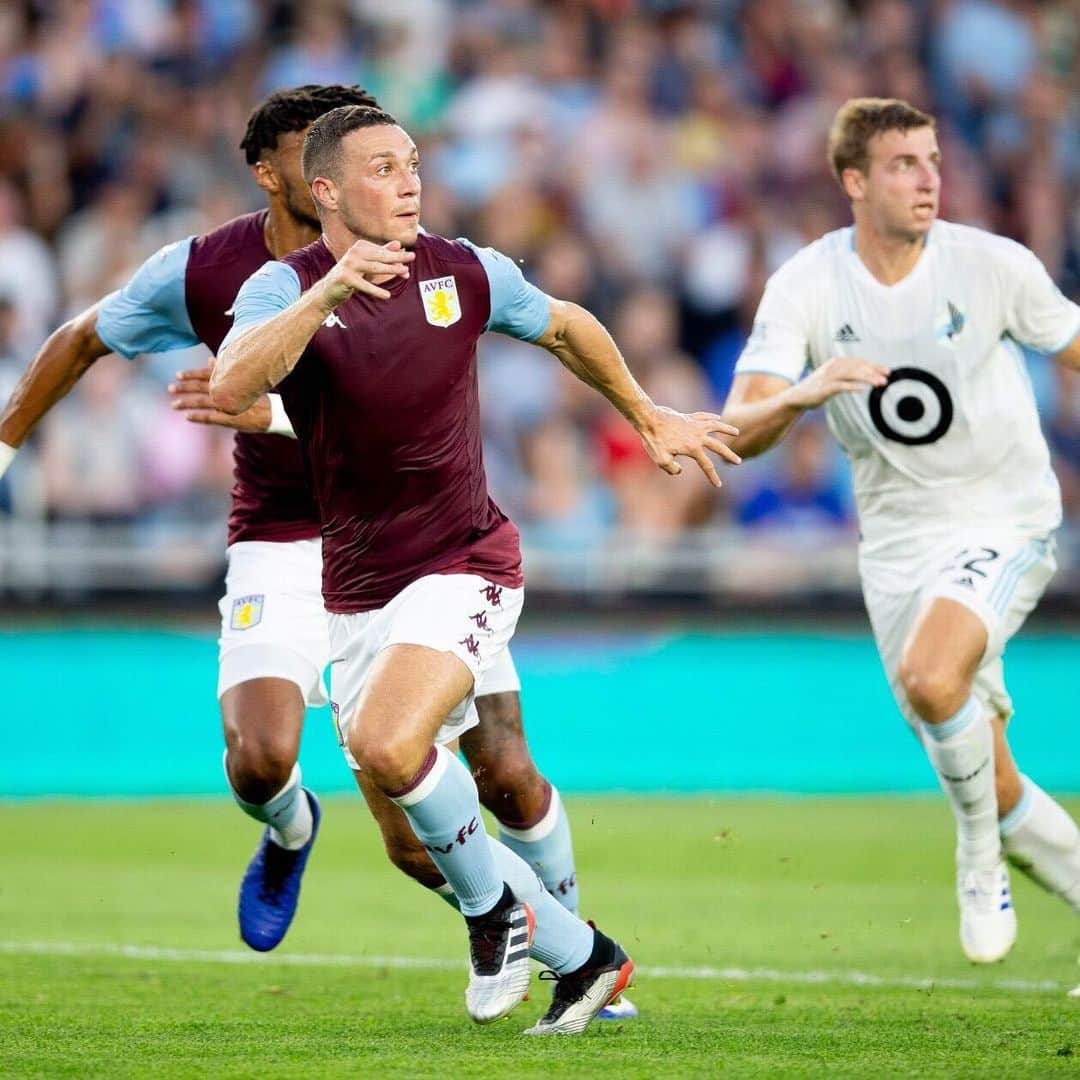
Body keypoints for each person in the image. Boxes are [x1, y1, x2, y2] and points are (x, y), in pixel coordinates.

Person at [0, 88, 598, 993]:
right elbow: (84, 338)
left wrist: (269, 413)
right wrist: (5, 445)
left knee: (499, 774)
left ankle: (576, 953)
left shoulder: (427, 264)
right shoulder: (207, 272)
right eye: (326, 155)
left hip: (417, 541)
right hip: (286, 539)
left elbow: (483, 355)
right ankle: (290, 828)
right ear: (284, 174)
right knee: (262, 760)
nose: (375, 173)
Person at [211, 104, 738, 1032]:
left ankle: (501, 916)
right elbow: (232, 384)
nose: (409, 181)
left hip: (467, 561)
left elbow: (570, 326)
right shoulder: (280, 289)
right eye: (382, 168)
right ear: (324, 189)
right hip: (359, 590)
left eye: (413, 163)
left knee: (405, 747)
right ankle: (586, 960)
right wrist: (329, 292)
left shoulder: (463, 270)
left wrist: (646, 412)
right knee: (418, 835)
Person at [722, 98, 1080, 968]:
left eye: (933, 161)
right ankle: (986, 829)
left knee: (931, 675)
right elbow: (740, 425)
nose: (928, 180)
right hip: (895, 548)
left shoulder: (992, 266)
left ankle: (974, 854)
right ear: (854, 181)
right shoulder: (808, 283)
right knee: (988, 771)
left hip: (1005, 518)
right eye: (903, 165)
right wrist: (805, 393)